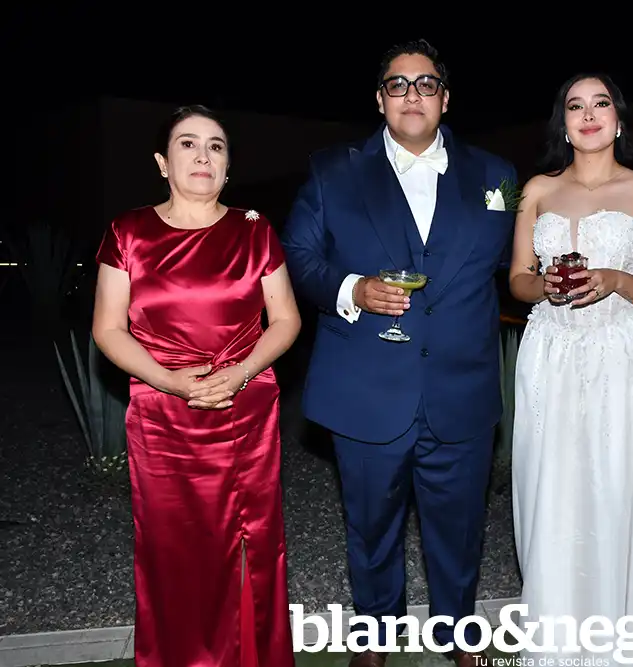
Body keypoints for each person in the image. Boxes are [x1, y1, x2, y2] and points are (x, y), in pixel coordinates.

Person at [280, 39, 518, 667]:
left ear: (446, 98)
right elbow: (297, 256)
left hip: (462, 388)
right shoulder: (333, 171)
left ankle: (456, 631)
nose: (413, 94)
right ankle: (376, 636)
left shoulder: (498, 176)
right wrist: (351, 289)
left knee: (460, 527)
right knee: (369, 526)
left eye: (426, 83)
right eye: (398, 84)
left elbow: (517, 262)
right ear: (380, 99)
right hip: (365, 387)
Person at [91, 105, 301, 667]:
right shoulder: (128, 232)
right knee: (172, 552)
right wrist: (171, 382)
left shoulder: (254, 230)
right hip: (162, 415)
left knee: (250, 547)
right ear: (163, 162)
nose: (203, 155)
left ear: (228, 167)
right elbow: (107, 329)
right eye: (188, 143)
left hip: (244, 411)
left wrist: (241, 371)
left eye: (216, 146)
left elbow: (286, 320)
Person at [508, 73, 633, 667]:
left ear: (618, 118)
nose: (589, 115)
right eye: (576, 106)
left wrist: (617, 280)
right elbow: (517, 280)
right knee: (552, 490)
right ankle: (559, 637)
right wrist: (544, 286)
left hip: (622, 356)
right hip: (550, 353)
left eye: (600, 104)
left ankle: (628, 635)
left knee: (619, 488)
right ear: (563, 123)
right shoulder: (536, 190)